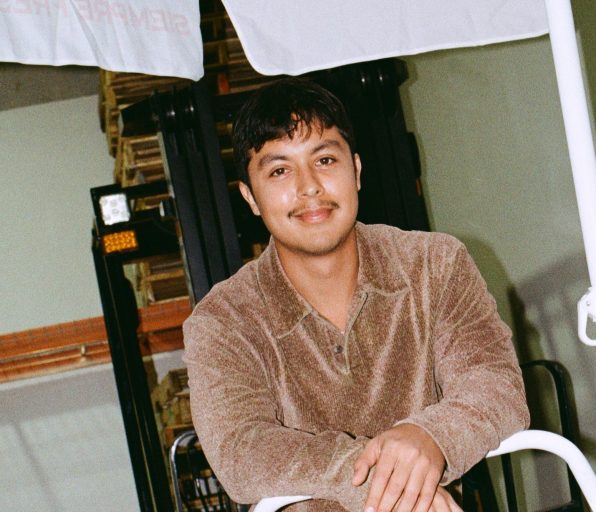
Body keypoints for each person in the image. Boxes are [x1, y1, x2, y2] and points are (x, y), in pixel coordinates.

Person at [182, 78, 529, 512]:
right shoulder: (223, 320)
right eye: (280, 170)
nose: (309, 186)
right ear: (250, 198)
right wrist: (385, 477)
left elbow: (497, 387)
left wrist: (431, 436)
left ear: (357, 171)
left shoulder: (435, 264)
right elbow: (241, 452)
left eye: (325, 159)